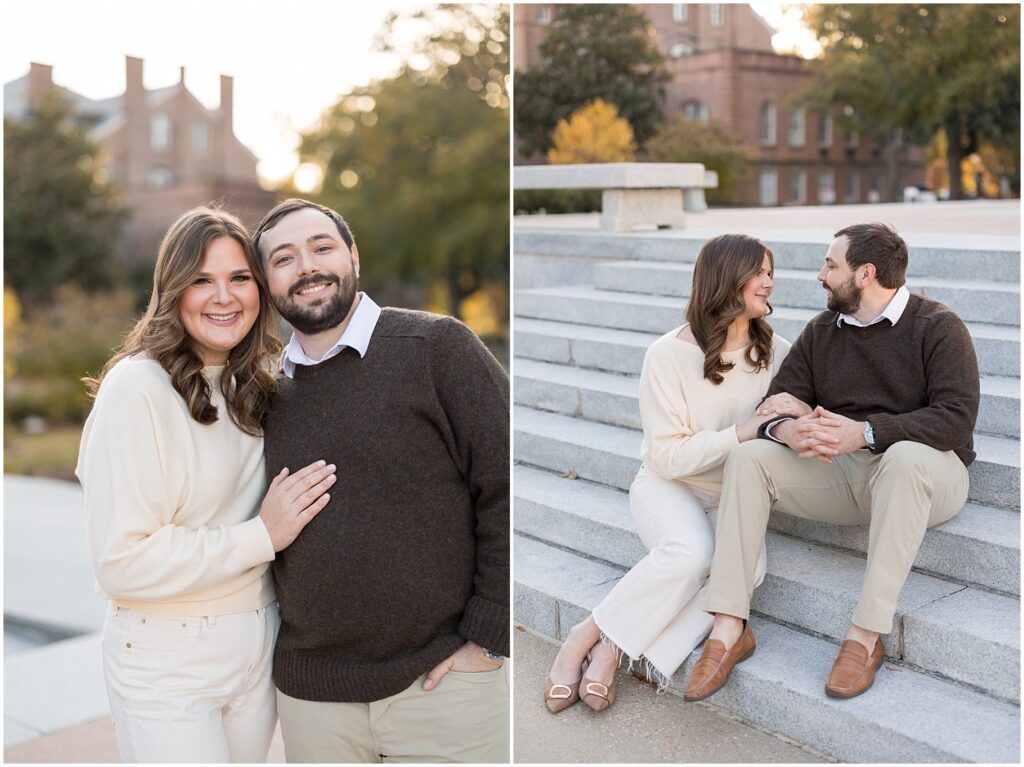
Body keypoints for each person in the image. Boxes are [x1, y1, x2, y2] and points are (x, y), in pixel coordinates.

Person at [252, 198, 510, 763]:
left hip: (444, 685)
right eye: (284, 259)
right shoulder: (263, 393)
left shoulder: (437, 349)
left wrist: (490, 637)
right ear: (266, 283)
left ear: (352, 255)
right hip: (314, 698)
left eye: (322, 248)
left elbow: (507, 486)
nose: (308, 267)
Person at [77, 207, 335, 763]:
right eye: (201, 280)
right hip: (167, 652)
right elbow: (119, 561)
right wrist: (261, 536)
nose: (224, 297)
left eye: (239, 278)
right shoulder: (136, 388)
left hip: (258, 640)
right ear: (173, 291)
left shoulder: (262, 378)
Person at [684, 223, 979, 702]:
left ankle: (865, 636)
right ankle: (727, 627)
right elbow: (779, 401)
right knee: (752, 457)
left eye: (831, 265)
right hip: (847, 475)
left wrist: (863, 432)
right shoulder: (824, 330)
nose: (820, 275)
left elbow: (955, 419)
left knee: (903, 459)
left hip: (929, 474)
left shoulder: (937, 327)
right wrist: (790, 429)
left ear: (864, 274)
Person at [543, 234, 806, 714]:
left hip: (735, 496)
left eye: (772, 272)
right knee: (692, 551)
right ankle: (582, 637)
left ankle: (613, 647)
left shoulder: (778, 353)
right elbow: (667, 458)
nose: (770, 282)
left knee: (749, 571)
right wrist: (743, 432)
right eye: (759, 273)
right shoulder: (666, 355)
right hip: (669, 487)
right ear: (727, 279)